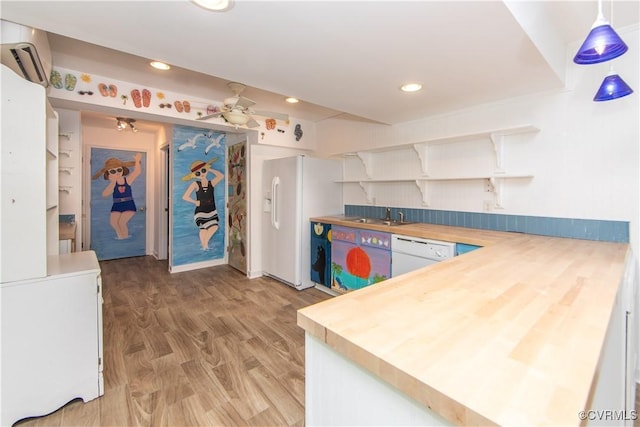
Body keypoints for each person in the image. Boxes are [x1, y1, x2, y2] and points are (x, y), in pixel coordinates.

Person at [92, 153, 143, 239]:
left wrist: (137, 161)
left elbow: (137, 172)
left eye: (119, 170)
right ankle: (121, 237)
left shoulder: (127, 180)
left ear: (123, 170)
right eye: (113, 171)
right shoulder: (112, 184)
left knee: (122, 222)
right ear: (108, 174)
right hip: (117, 205)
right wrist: (113, 182)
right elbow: (105, 194)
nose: (117, 173)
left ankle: (125, 238)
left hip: (128, 204)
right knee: (113, 222)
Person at [182, 158, 224, 251]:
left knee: (212, 227)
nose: (201, 174)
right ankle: (205, 246)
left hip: (211, 211)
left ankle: (205, 245)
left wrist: (209, 169)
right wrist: (195, 202)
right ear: (195, 175)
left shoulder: (211, 183)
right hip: (200, 211)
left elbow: (221, 176)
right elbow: (185, 196)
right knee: (204, 228)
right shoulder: (195, 184)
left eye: (203, 171)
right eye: (198, 173)